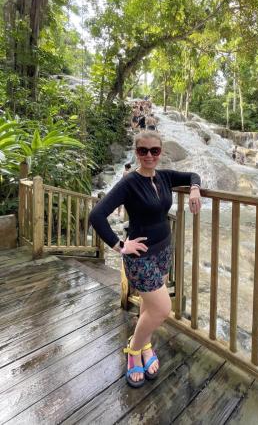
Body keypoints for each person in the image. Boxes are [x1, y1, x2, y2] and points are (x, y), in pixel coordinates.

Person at [89, 131, 201, 388]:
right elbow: (97, 215)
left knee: (150, 307)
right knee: (162, 309)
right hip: (140, 257)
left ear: (160, 153)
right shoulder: (129, 182)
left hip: (163, 250)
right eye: (143, 151)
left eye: (154, 151)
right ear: (136, 152)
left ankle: (146, 345)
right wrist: (120, 245)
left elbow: (193, 176)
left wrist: (194, 189)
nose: (149, 155)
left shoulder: (165, 176)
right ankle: (133, 349)